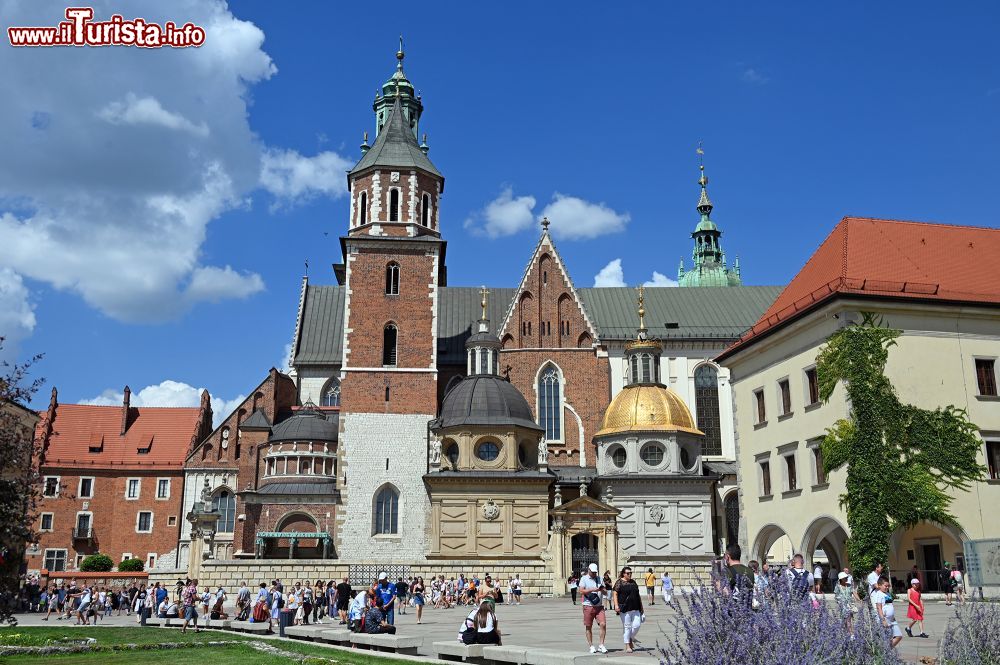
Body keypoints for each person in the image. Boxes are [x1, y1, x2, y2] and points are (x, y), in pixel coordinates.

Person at [613, 566, 644, 653]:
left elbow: (638, 595)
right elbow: (615, 594)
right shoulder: (619, 582)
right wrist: (616, 605)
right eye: (628, 573)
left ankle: (630, 638)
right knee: (627, 627)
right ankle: (627, 645)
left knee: (637, 625)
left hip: (635, 607)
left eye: (631, 573)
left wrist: (642, 608)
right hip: (625, 608)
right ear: (623, 574)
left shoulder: (633, 582)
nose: (630, 574)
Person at [579, 563, 608, 654]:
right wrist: (592, 590)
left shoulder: (600, 579)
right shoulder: (584, 578)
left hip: (599, 606)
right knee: (589, 626)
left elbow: (605, 592)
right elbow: (581, 591)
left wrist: (602, 589)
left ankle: (601, 645)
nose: (594, 574)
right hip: (588, 605)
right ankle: (591, 646)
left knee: (603, 624)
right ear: (589, 570)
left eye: (595, 572)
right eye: (593, 572)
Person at [871, 576, 902, 649]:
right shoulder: (879, 594)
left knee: (899, 636)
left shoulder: (887, 594)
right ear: (879, 585)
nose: (887, 587)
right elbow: (879, 608)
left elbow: (889, 605)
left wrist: (893, 616)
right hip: (885, 619)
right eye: (885, 586)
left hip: (892, 619)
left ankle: (887, 650)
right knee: (888, 638)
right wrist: (883, 620)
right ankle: (886, 652)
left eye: (888, 586)